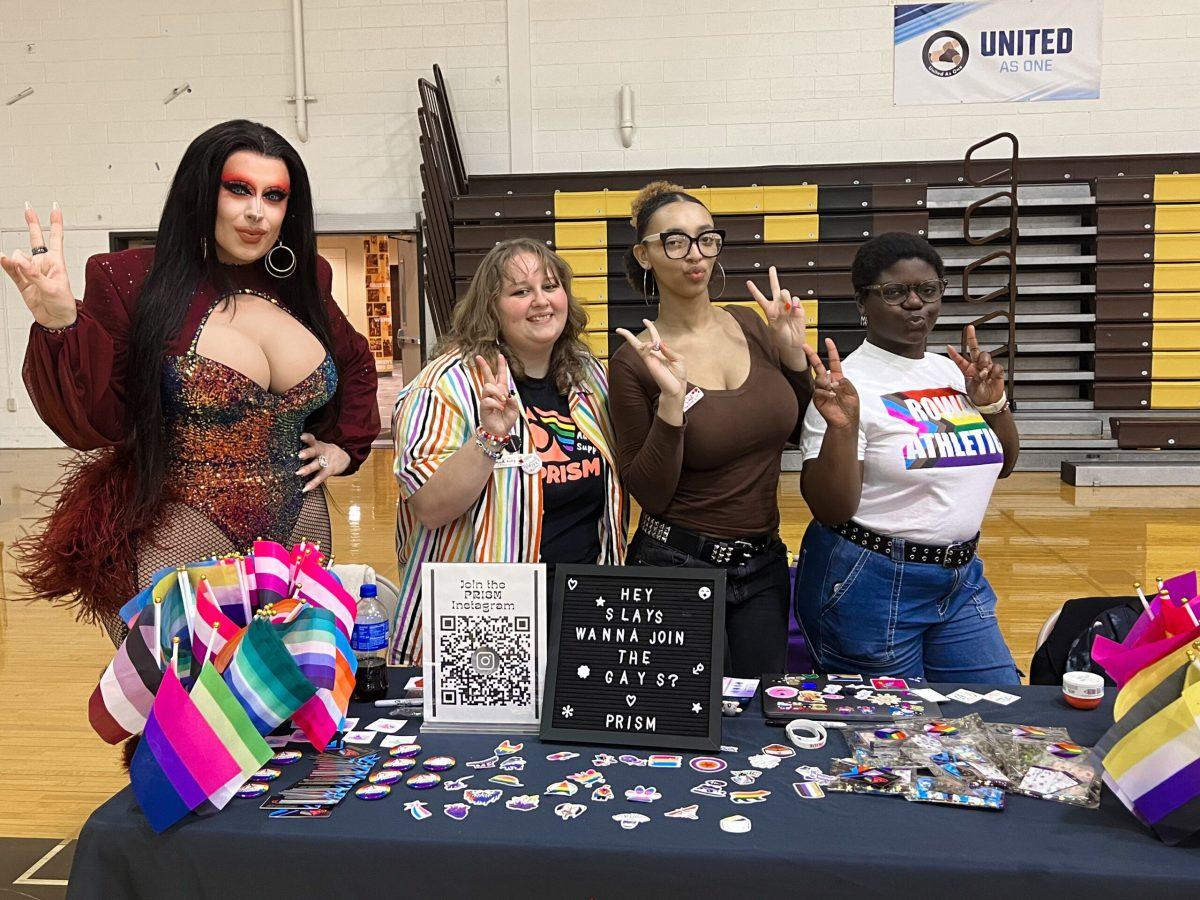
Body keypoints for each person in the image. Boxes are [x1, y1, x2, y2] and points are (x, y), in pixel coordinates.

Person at [5, 120, 380, 643]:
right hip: (185, 532)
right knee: (190, 714)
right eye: (239, 189)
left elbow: (356, 364)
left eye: (274, 196)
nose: (257, 211)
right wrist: (60, 323)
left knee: (295, 695)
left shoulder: (305, 278)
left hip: (303, 531)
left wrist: (345, 446)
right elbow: (96, 421)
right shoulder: (130, 279)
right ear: (202, 192)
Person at [794, 232, 1020, 684]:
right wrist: (842, 426)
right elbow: (831, 508)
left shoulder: (951, 371)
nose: (915, 303)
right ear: (863, 302)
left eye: (928, 290)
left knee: (1002, 711)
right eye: (895, 292)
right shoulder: (849, 384)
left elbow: (1004, 463)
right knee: (889, 738)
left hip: (959, 578)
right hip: (871, 581)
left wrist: (994, 404)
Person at [608, 181, 812, 678]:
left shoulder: (752, 323)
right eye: (674, 241)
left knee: (761, 725)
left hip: (763, 564)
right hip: (675, 566)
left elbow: (793, 427)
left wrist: (791, 357)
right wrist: (672, 404)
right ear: (645, 254)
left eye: (706, 238)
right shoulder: (635, 361)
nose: (693, 255)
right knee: (685, 732)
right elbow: (650, 493)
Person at [390, 238, 627, 665]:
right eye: (520, 292)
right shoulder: (445, 384)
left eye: (550, 287)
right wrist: (489, 438)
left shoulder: (587, 375)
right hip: (482, 624)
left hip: (582, 613)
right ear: (491, 307)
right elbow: (429, 506)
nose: (541, 301)